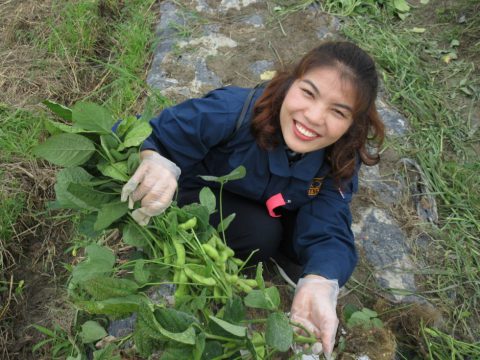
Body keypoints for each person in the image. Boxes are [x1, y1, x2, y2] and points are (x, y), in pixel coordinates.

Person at [121, 41, 385, 358]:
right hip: (203, 191)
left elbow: (330, 221)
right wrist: (155, 159)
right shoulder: (233, 110)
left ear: (352, 124)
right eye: (308, 93)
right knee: (262, 237)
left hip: (276, 200)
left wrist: (321, 280)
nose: (314, 117)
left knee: (312, 256)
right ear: (290, 83)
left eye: (338, 111)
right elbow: (156, 133)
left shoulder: (340, 154)